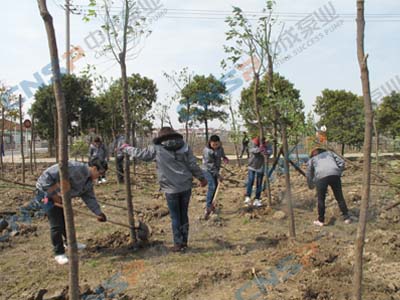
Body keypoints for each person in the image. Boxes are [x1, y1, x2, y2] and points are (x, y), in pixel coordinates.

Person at [120, 127, 207, 252]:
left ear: (161, 138)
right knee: (183, 214)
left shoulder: (157, 148)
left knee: (175, 216)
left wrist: (126, 148)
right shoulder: (185, 147)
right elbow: (192, 164)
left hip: (170, 188)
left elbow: (142, 155)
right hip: (185, 185)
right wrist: (201, 178)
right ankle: (184, 242)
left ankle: (177, 244)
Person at [34, 158, 108, 265]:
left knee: (66, 219)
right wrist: (54, 195)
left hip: (62, 198)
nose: (100, 177)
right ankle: (59, 253)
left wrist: (98, 212)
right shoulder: (74, 168)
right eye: (100, 173)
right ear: (94, 168)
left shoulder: (88, 181)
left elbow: (89, 197)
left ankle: (70, 243)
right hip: (46, 195)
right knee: (56, 224)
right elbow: (46, 176)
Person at [306, 148, 351, 226]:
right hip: (335, 175)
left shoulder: (312, 159)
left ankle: (321, 221)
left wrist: (311, 184)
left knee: (321, 199)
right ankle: (347, 217)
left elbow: (309, 173)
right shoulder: (330, 153)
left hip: (321, 177)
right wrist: (338, 172)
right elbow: (342, 162)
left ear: (313, 154)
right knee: (339, 196)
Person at [202, 135, 229, 219]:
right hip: (207, 170)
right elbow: (210, 165)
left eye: (217, 144)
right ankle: (208, 206)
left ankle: (212, 205)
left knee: (216, 186)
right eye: (214, 145)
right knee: (212, 186)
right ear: (210, 143)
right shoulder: (207, 151)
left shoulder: (220, 148)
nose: (215, 146)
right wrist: (218, 175)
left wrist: (225, 158)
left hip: (215, 169)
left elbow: (222, 155)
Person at [244, 137, 271, 207]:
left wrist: (265, 151)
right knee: (251, 180)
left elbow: (270, 151)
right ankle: (248, 197)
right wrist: (259, 149)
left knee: (259, 183)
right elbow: (251, 150)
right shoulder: (254, 141)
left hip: (261, 166)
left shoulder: (267, 143)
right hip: (252, 164)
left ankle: (257, 199)